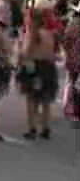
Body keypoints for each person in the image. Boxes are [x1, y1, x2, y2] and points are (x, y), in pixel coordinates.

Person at [17, 9, 59, 140]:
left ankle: (32, 128)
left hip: (33, 68)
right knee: (45, 100)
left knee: (31, 99)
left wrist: (19, 52)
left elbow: (25, 53)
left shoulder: (31, 35)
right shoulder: (49, 34)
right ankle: (45, 128)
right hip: (48, 68)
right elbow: (52, 53)